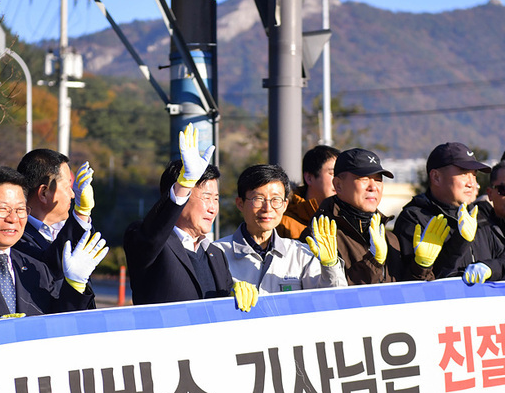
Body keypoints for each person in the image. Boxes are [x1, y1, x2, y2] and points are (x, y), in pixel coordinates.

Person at [0, 166, 105, 322]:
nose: (13, 218)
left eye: (20, 209)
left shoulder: (37, 269)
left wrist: (75, 287)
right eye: (2, 208)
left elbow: (61, 325)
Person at [124, 124, 255, 310]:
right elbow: (151, 237)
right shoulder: (146, 239)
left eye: (216, 198)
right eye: (206, 197)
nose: (213, 207)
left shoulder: (216, 254)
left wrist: (233, 294)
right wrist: (184, 183)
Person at [311, 147, 448, 285]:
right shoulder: (320, 238)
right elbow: (334, 297)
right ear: (338, 185)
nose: (373, 187)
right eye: (364, 179)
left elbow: (407, 296)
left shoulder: (390, 238)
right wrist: (373, 262)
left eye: (378, 180)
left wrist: (421, 266)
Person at [214, 164, 347, 294]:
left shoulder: (300, 254)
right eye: (258, 199)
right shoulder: (217, 254)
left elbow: (334, 299)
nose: (267, 208)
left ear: (285, 205)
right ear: (240, 203)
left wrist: (330, 266)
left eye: (276, 199)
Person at [394, 142, 505, 281]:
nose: (471, 183)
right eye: (463, 174)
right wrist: (460, 241)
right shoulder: (414, 218)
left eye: (474, 175)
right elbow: (412, 284)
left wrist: (491, 268)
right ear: (436, 177)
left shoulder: (481, 213)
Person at [14, 149, 95, 283]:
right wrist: (81, 213)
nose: (73, 194)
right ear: (44, 193)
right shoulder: (16, 235)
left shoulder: (64, 228)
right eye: (67, 186)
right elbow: (52, 266)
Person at [276, 145, 339, 240]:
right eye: (332, 174)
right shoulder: (283, 223)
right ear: (309, 178)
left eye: (341, 175)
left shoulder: (347, 218)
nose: (337, 180)